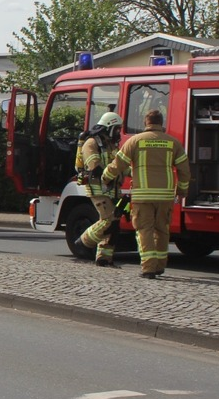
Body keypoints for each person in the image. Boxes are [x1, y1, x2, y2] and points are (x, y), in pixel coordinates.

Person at [102, 109, 190, 278]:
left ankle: (149, 268)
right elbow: (184, 170)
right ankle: (160, 266)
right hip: (165, 196)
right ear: (161, 123)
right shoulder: (173, 142)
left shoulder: (135, 141)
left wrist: (106, 176)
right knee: (162, 230)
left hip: (143, 196)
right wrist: (182, 190)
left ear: (146, 123)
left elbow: (118, 164)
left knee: (144, 230)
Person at [72, 112, 123, 266]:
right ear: (109, 127)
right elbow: (94, 165)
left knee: (113, 225)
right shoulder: (91, 143)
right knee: (109, 219)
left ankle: (104, 258)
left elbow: (120, 166)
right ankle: (83, 241)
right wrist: (109, 176)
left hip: (113, 189)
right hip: (98, 188)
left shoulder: (111, 145)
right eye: (117, 129)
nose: (118, 132)